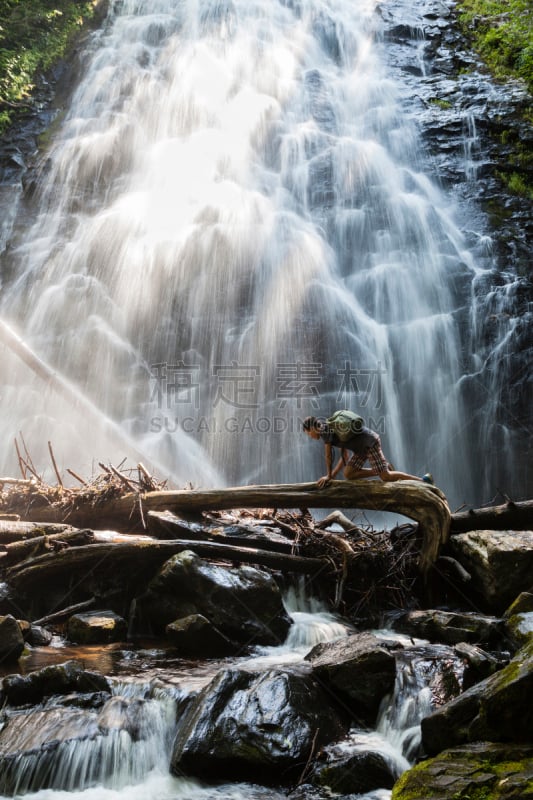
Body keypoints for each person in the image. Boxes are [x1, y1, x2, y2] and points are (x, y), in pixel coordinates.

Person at [303, 415, 431, 489]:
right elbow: (345, 455)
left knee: (386, 477)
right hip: (360, 448)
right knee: (349, 473)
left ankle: (423, 481)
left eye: (308, 433)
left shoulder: (325, 432)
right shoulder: (330, 427)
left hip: (370, 443)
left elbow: (328, 456)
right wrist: (333, 475)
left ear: (313, 428)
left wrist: (329, 476)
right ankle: (384, 467)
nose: (310, 436)